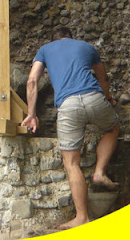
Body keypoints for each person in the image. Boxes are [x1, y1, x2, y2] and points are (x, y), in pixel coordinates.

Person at [21, 26, 120, 229]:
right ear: (71, 37)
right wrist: (108, 98)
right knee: (112, 128)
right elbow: (103, 78)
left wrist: (31, 114)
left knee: (72, 163)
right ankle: (99, 172)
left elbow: (31, 81)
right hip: (94, 98)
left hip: (68, 106)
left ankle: (82, 217)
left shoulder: (45, 49)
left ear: (53, 39)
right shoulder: (87, 47)